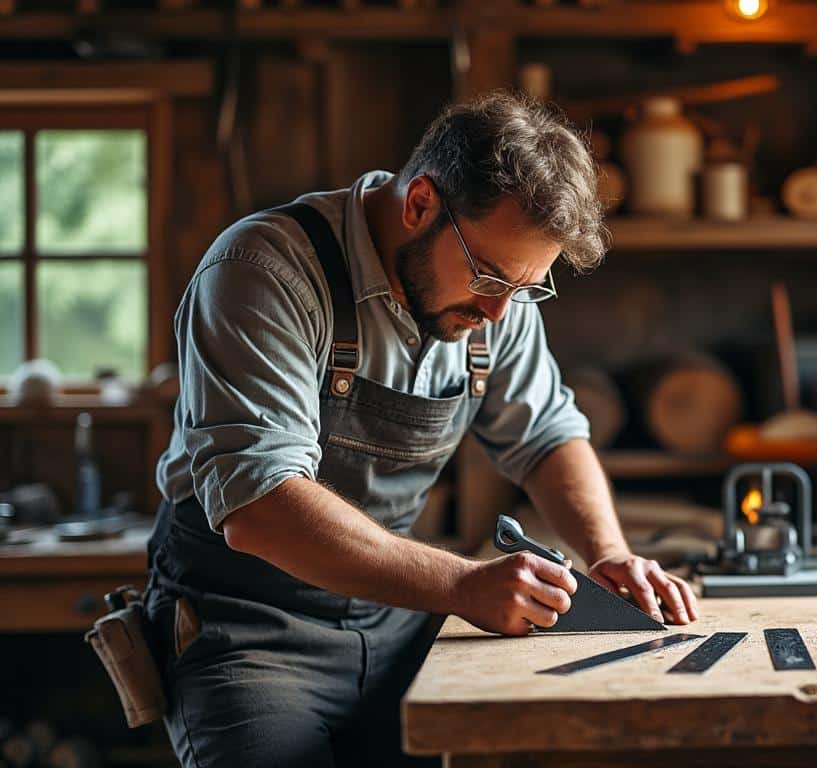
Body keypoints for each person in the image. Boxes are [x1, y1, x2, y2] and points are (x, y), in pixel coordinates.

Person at [144, 91, 699, 767]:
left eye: (524, 289)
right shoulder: (261, 271)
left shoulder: (498, 298)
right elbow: (260, 506)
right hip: (245, 630)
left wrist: (607, 554)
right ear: (420, 205)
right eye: (490, 278)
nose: (499, 312)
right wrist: (464, 587)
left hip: (393, 617)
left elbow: (548, 435)